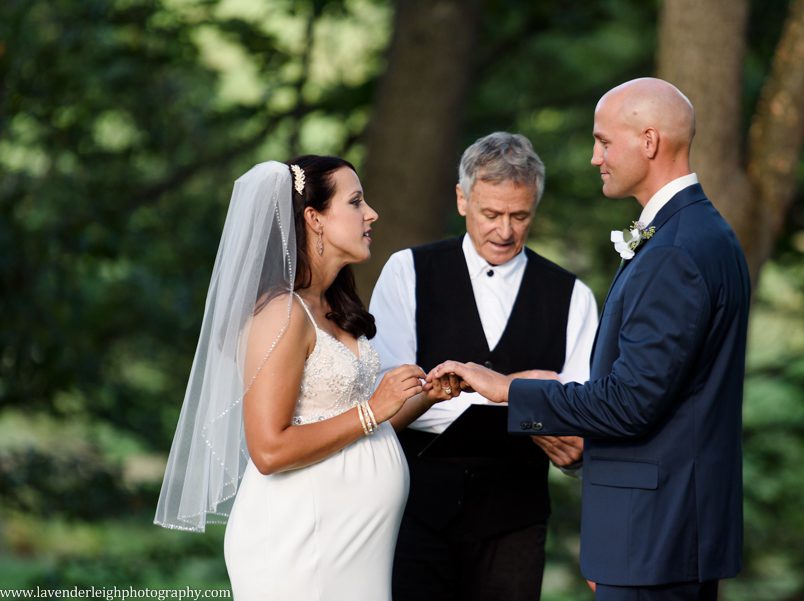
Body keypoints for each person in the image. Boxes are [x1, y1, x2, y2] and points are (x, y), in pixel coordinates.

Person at [429, 78, 751, 601]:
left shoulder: (675, 251)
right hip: (662, 532)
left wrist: (509, 388)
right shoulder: (701, 233)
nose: (594, 157)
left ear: (648, 142)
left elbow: (630, 402)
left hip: (653, 535)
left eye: (603, 141)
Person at [154, 156, 458, 600]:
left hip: (354, 547)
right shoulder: (281, 313)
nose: (371, 213)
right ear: (314, 218)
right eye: (355, 202)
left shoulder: (332, 305)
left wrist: (423, 397)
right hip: (299, 542)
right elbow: (269, 449)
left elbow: (356, 431)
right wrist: (374, 407)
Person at [369, 132, 599, 601]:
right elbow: (388, 396)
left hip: (516, 519)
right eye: (491, 214)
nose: (505, 231)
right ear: (462, 199)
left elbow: (580, 422)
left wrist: (523, 405)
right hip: (416, 512)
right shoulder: (407, 271)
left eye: (520, 216)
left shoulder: (573, 297)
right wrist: (527, 396)